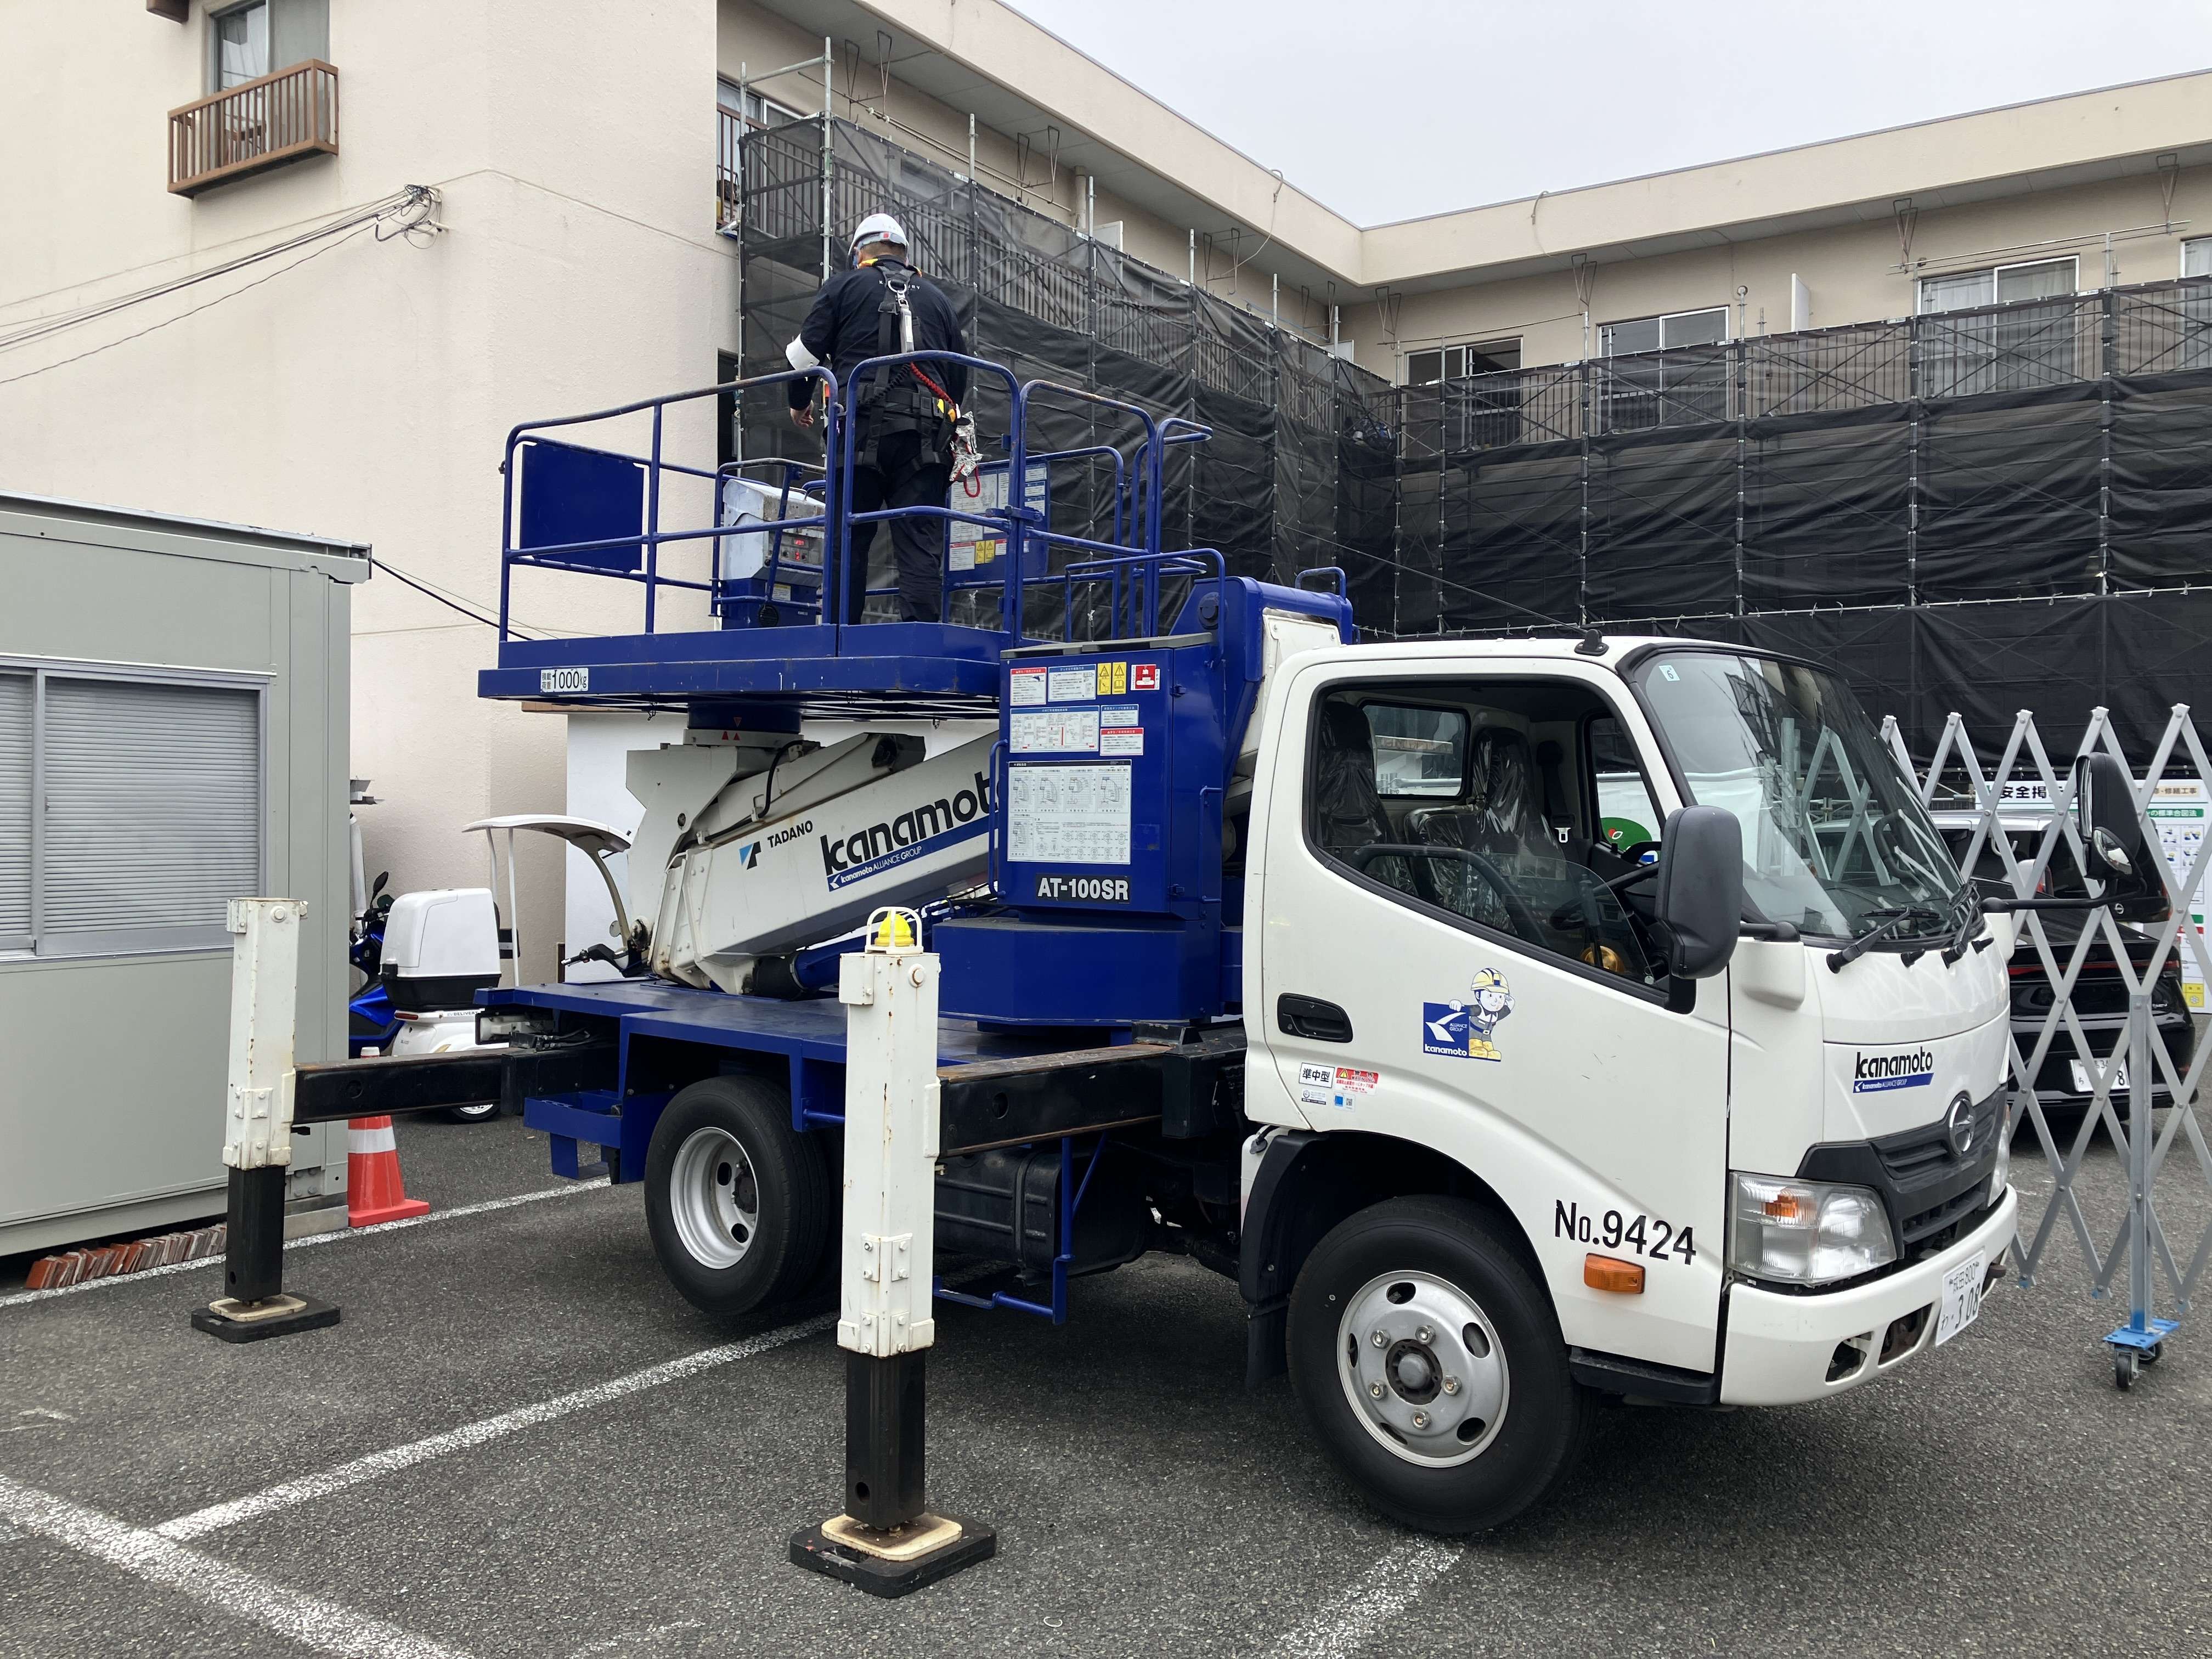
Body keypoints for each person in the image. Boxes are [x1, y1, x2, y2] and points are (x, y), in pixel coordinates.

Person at [786, 212, 969, 623]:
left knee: (848, 539)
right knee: (919, 540)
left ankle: (840, 637)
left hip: (858, 432)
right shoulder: (937, 300)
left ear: (860, 254)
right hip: (926, 439)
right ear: (904, 254)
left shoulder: (843, 287)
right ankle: (920, 639)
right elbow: (957, 378)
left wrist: (799, 402)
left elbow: (803, 357)